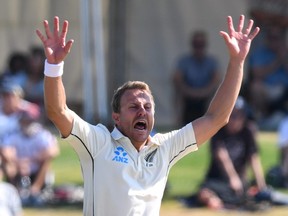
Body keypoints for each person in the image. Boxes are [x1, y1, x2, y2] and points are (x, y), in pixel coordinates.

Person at [36, 15, 260, 215]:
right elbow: (58, 111)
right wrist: (54, 67)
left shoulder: (164, 147)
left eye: (147, 106)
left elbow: (216, 118)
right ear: (116, 117)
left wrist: (237, 62)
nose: (142, 110)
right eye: (133, 106)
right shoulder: (98, 142)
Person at [195, 97, 267, 210]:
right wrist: (232, 178)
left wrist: (261, 185)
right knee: (204, 193)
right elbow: (222, 156)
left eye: (238, 116)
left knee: (251, 192)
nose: (234, 120)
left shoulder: (248, 131)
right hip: (218, 179)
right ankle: (220, 202)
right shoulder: (218, 130)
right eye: (231, 116)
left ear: (244, 117)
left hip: (240, 179)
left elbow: (253, 158)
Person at [1, 110, 59, 207]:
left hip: (36, 171)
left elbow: (53, 151)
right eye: (24, 121)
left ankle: (35, 190)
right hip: (18, 170)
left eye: (28, 121)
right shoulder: (14, 135)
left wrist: (31, 160)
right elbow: (5, 151)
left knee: (46, 162)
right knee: (7, 164)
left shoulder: (42, 135)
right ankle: (15, 190)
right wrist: (18, 163)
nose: (26, 123)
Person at [173, 30, 221, 124]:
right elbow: (177, 80)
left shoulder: (212, 61)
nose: (199, 47)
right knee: (177, 95)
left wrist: (204, 92)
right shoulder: (184, 61)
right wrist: (190, 92)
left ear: (205, 45)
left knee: (215, 94)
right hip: (188, 95)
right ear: (192, 45)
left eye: (201, 44)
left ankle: (212, 122)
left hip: (206, 95)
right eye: (196, 44)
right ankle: (179, 122)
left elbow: (216, 80)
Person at [247, 26, 288, 129]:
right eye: (271, 37)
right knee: (256, 86)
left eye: (276, 38)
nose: (273, 40)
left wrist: (284, 58)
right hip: (267, 88)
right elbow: (257, 74)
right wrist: (278, 60)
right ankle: (262, 117)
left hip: (285, 89)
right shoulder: (259, 53)